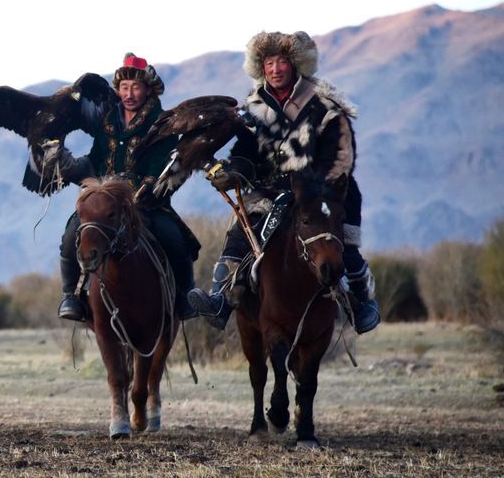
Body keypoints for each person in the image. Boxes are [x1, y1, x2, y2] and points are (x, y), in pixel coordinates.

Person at [186, 31, 381, 334]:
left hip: (323, 192)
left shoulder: (325, 106)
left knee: (342, 245)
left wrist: (312, 189)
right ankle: (220, 300)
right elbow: (246, 153)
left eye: (282, 62)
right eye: (269, 63)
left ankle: (360, 301)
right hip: (269, 191)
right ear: (260, 68)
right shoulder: (254, 108)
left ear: (295, 65)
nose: (275, 69)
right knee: (239, 235)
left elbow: (341, 157)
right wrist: (233, 172)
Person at [47, 54, 200, 322]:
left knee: (174, 237)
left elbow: (161, 164)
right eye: (124, 87)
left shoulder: (163, 123)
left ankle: (184, 296)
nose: (129, 94)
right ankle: (70, 295)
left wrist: (141, 188)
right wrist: (66, 165)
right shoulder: (107, 123)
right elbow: (95, 160)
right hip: (104, 202)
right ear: (118, 90)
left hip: (148, 201)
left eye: (136, 87)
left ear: (147, 89)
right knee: (72, 233)